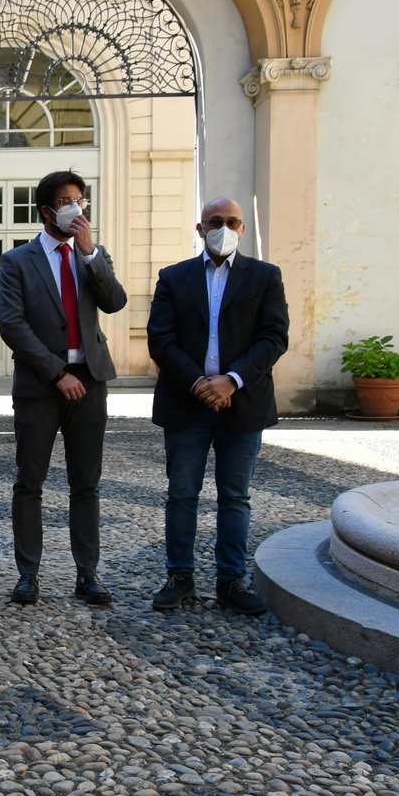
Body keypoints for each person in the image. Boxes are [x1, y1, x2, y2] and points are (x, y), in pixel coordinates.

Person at [146, 198, 289, 615]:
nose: (222, 228)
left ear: (242, 229)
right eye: (214, 222)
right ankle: (180, 577)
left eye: (231, 222)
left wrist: (232, 380)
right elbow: (161, 339)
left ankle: (231, 580)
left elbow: (274, 338)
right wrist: (197, 383)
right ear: (200, 227)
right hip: (186, 402)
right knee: (181, 494)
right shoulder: (173, 277)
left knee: (235, 497)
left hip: (242, 403)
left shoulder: (265, 277)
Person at [0, 170, 128, 608]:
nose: (76, 208)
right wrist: (57, 373)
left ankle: (87, 573)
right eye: (66, 201)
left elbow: (115, 302)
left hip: (90, 381)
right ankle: (28, 574)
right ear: (46, 210)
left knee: (85, 484)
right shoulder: (18, 261)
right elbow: (12, 324)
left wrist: (91, 256)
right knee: (29, 482)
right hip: (40, 386)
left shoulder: (92, 255)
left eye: (80, 200)